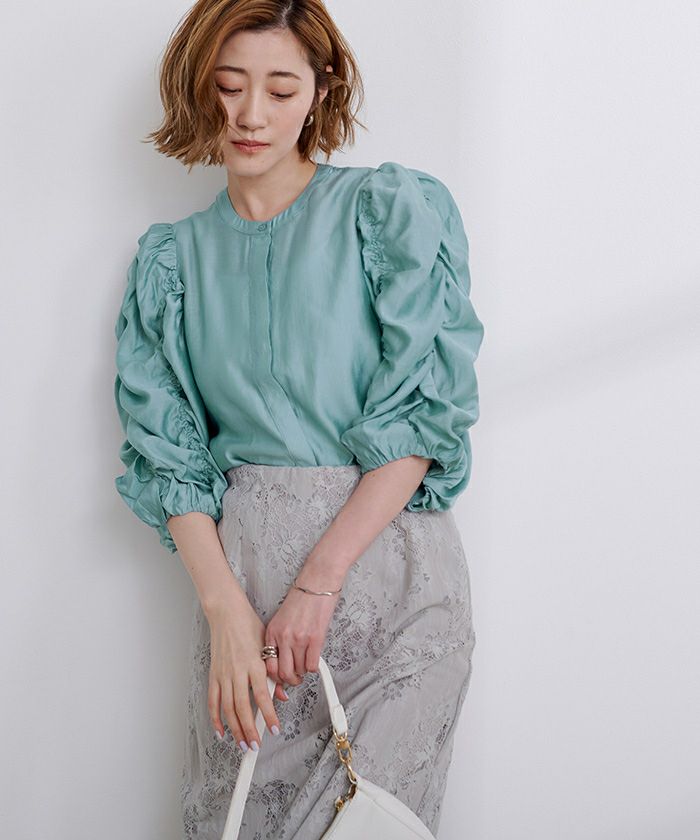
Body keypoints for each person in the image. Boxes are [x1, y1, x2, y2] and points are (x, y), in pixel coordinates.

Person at [113, 1, 485, 837]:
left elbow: (421, 415)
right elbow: (169, 457)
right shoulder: (171, 262)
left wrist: (320, 582)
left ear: (321, 90)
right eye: (229, 86)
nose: (252, 114)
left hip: (392, 592)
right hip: (244, 601)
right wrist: (223, 612)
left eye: (280, 90)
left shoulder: (387, 211)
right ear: (196, 88)